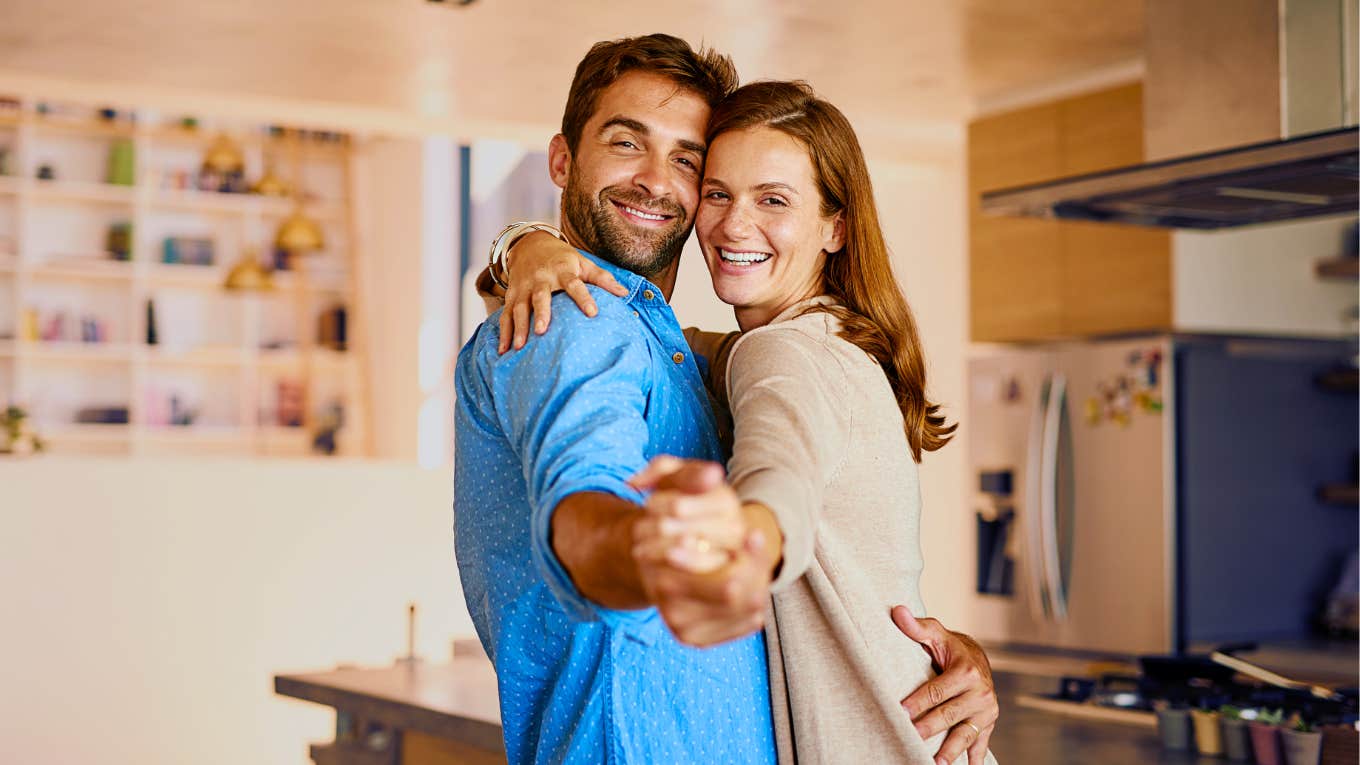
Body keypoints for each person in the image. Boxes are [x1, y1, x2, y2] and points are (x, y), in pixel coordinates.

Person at [456, 34, 996, 765]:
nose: (657, 181)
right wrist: (657, 552)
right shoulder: (573, 318)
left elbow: (788, 481)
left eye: (686, 160)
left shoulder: (739, 351)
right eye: (626, 143)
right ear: (562, 160)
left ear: (835, 225)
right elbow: (582, 504)